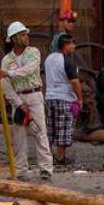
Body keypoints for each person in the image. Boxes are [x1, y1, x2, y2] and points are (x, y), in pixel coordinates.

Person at [0, 21, 54, 180]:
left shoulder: (33, 53)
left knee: (40, 132)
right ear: (14, 38)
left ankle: (45, 169)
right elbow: (5, 85)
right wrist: (18, 103)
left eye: (26, 33)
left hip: (34, 95)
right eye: (23, 34)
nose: (27, 37)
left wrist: (8, 73)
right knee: (19, 136)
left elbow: (28, 70)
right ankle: (21, 170)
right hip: (18, 98)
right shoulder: (6, 60)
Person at [44, 33, 83, 166]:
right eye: (72, 43)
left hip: (49, 97)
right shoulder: (68, 61)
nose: (74, 46)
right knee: (64, 129)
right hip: (65, 98)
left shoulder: (48, 59)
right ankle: (61, 158)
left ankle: (47, 157)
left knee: (51, 128)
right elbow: (75, 82)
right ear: (65, 45)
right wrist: (80, 99)